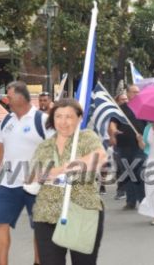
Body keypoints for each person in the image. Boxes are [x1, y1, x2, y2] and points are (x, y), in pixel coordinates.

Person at [30, 98, 107, 265]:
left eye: (69, 117)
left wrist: (59, 170)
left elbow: (98, 157)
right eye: (58, 116)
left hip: (83, 211)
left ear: (79, 118)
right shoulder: (45, 146)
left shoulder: (87, 137)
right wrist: (67, 169)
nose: (63, 122)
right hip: (46, 215)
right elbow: (37, 175)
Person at [0, 81, 48, 265]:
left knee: (39, 227)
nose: (7, 100)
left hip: (35, 185)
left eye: (9, 96)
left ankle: (38, 261)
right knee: (1, 223)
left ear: (21, 97)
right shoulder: (6, 120)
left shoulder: (41, 120)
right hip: (9, 183)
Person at [108, 84, 146, 211]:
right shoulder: (121, 109)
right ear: (128, 93)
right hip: (123, 146)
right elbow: (113, 123)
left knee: (138, 172)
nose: (137, 94)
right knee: (128, 173)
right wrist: (113, 132)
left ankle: (143, 200)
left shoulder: (143, 108)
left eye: (138, 92)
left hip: (139, 146)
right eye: (134, 92)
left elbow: (150, 126)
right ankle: (131, 201)